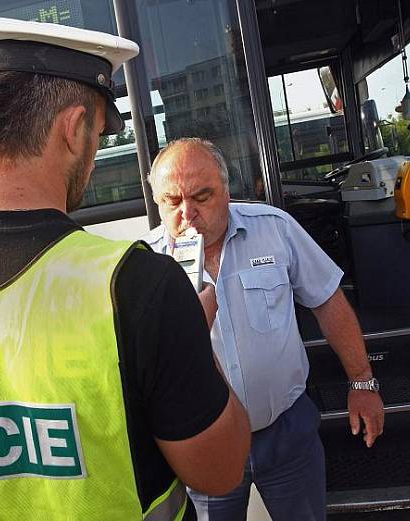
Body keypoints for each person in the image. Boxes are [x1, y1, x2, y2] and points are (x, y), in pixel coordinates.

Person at [0, 18, 249, 521]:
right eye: (100, 136)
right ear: (72, 126)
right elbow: (222, 472)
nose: (96, 158)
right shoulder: (136, 285)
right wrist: (198, 334)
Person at [144, 138, 385, 520]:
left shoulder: (274, 228)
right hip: (203, 446)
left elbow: (327, 300)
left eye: (202, 196)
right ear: (156, 201)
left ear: (226, 190)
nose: (187, 213)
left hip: (287, 434)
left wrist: (362, 382)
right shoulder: (144, 263)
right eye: (171, 201)